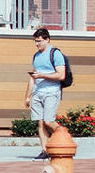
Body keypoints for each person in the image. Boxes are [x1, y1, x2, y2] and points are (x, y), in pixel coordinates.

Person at [27, 27, 67, 160]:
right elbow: (33, 77)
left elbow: (61, 75)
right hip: (38, 93)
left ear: (47, 39)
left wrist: (42, 75)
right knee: (40, 123)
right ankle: (45, 151)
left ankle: (65, 138)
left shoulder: (55, 54)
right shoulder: (36, 56)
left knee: (49, 121)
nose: (37, 44)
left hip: (51, 92)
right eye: (35, 41)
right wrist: (27, 96)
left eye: (39, 41)